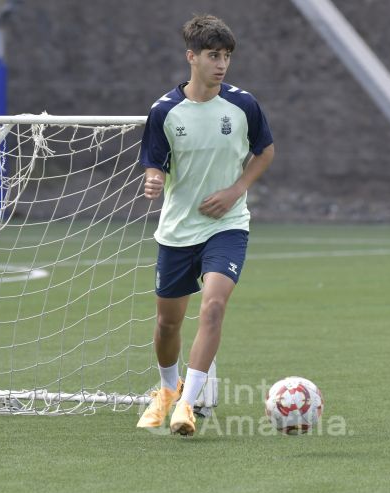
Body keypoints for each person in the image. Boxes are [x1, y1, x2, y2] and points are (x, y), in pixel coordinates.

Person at [136, 14, 274, 436]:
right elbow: (153, 164)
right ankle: (166, 391)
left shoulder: (244, 104)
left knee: (213, 307)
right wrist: (152, 179)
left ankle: (189, 405)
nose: (222, 64)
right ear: (191, 57)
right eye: (214, 56)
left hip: (227, 226)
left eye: (227, 56)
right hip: (178, 230)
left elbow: (265, 152)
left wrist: (236, 190)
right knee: (168, 324)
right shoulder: (164, 112)